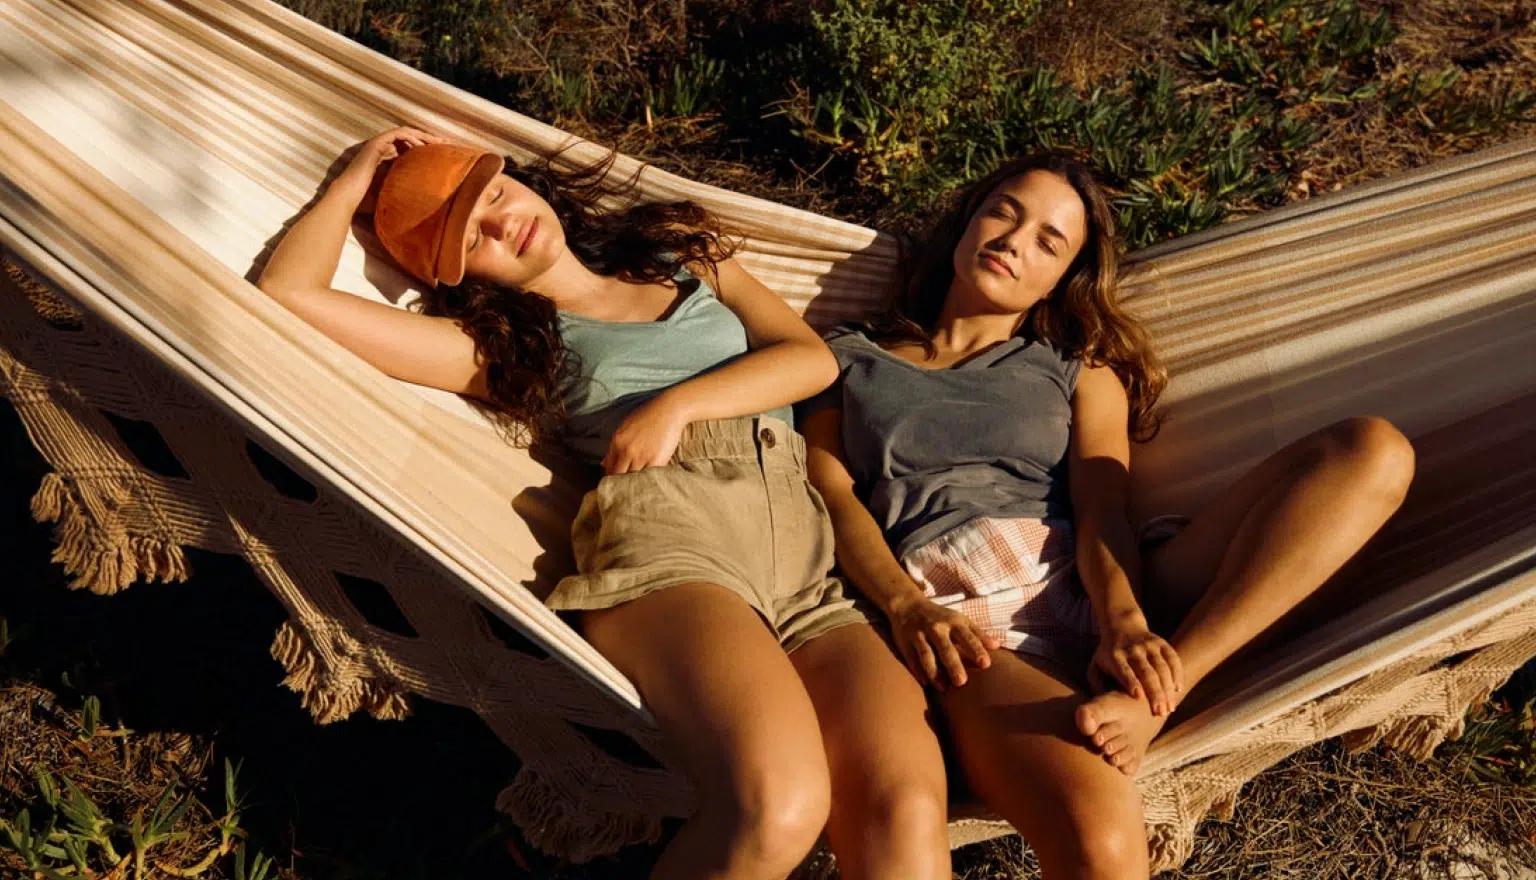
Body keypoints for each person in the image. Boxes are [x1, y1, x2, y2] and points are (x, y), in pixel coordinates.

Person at [256, 127, 953, 880]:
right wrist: (354, 179)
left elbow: (809, 359)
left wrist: (676, 406)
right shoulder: (504, 349)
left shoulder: (684, 255)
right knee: (777, 806)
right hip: (676, 557)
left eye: (495, 194)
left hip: (810, 572)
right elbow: (291, 294)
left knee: (906, 811)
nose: (502, 221)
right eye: (473, 238)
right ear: (462, 279)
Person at [800, 151, 1417, 879]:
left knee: (1370, 450)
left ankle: (1166, 688)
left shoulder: (1075, 367)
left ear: (1063, 278)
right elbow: (829, 499)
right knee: (1101, 840)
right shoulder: (847, 358)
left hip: (1103, 580)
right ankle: (1145, 688)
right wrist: (904, 606)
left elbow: (1102, 506)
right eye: (1004, 211)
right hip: (967, 616)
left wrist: (1125, 623)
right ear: (969, 218)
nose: (1012, 240)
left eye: (1047, 241)